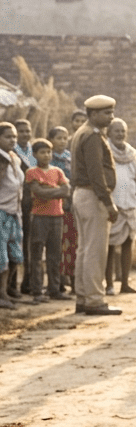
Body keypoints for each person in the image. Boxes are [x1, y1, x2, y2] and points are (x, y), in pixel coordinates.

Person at [69, 95, 121, 315]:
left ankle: (83, 297)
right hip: (92, 196)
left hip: (83, 195)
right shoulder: (91, 136)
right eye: (106, 113)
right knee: (95, 250)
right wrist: (108, 202)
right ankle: (94, 300)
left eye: (111, 112)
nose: (111, 117)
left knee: (85, 248)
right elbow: (96, 173)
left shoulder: (83, 132)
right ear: (93, 114)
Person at [24, 138, 69, 302]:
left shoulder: (57, 171)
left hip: (57, 216)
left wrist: (47, 190)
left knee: (55, 255)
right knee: (36, 255)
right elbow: (38, 192)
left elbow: (67, 191)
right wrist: (55, 190)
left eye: (49, 152)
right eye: (42, 152)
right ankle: (37, 291)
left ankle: (54, 289)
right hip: (39, 217)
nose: (46, 155)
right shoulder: (32, 172)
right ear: (35, 154)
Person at [105, 118, 136, 295]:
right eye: (117, 131)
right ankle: (109, 284)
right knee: (110, 245)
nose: (120, 134)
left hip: (130, 203)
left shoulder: (131, 153)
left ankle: (125, 284)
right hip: (113, 205)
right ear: (109, 133)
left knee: (129, 242)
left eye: (123, 131)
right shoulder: (106, 151)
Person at [49, 126, 76, 293]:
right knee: (56, 246)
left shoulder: (70, 158)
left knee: (71, 243)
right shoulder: (47, 159)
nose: (62, 141)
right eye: (59, 138)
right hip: (53, 206)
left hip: (70, 206)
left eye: (65, 138)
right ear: (51, 140)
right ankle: (57, 283)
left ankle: (73, 281)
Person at [0, 123, 23, 309]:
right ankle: (1, 294)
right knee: (2, 256)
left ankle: (6, 290)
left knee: (15, 254)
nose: (12, 140)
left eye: (14, 137)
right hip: (1, 212)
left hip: (14, 212)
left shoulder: (15, 158)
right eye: (8, 137)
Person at [10, 119, 34, 297]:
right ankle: (11, 285)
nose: (25, 134)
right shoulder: (12, 153)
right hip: (16, 203)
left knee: (30, 244)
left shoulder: (33, 151)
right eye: (21, 132)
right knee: (16, 243)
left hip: (33, 203)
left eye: (27, 131)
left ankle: (29, 282)